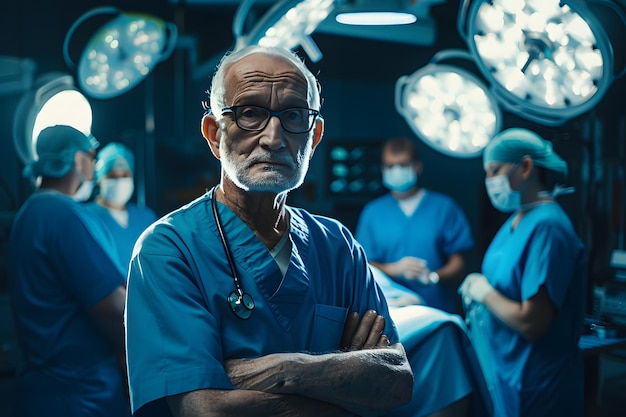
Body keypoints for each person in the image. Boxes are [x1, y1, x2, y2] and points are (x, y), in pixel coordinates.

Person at [125, 45, 414, 417]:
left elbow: (396, 381)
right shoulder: (168, 250)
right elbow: (207, 411)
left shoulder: (338, 247)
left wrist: (286, 370)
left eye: (294, 115)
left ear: (315, 136)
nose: (274, 138)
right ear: (214, 134)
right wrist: (344, 381)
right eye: (249, 113)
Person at [458, 127, 586, 417]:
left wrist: (484, 292)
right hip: (506, 373)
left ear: (526, 166)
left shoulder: (548, 227)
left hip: (539, 382)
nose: (489, 181)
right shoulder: (517, 219)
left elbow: (533, 323)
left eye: (495, 170)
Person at [8, 125, 130, 416]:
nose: (94, 164)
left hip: (46, 391)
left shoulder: (29, 214)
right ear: (77, 160)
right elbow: (112, 306)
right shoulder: (59, 214)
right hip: (81, 394)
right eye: (91, 155)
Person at [355, 137, 474, 314]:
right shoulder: (373, 212)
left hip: (436, 311)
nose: (396, 170)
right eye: (389, 166)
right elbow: (362, 264)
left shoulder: (444, 207)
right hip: (390, 311)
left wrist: (433, 277)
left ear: (417, 167)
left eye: (403, 165)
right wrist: (394, 269)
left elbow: (459, 263)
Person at [86, 142, 158, 270]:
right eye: (112, 176)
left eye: (125, 175)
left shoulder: (146, 217)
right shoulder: (86, 217)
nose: (119, 181)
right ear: (99, 179)